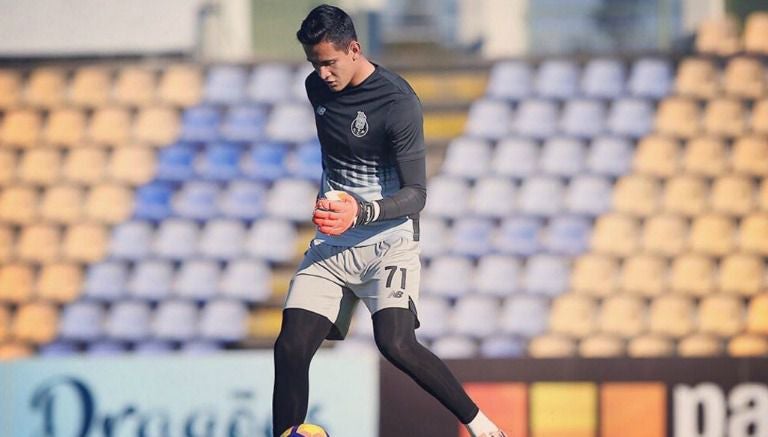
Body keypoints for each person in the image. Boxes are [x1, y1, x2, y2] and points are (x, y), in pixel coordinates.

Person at [271, 4, 507, 437]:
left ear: (355, 48)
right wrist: (329, 204)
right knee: (290, 346)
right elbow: (338, 161)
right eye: (313, 63)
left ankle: (481, 424)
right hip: (334, 244)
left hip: (388, 242)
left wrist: (361, 211)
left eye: (328, 62)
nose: (321, 73)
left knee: (395, 343)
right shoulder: (316, 89)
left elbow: (417, 195)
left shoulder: (398, 102)